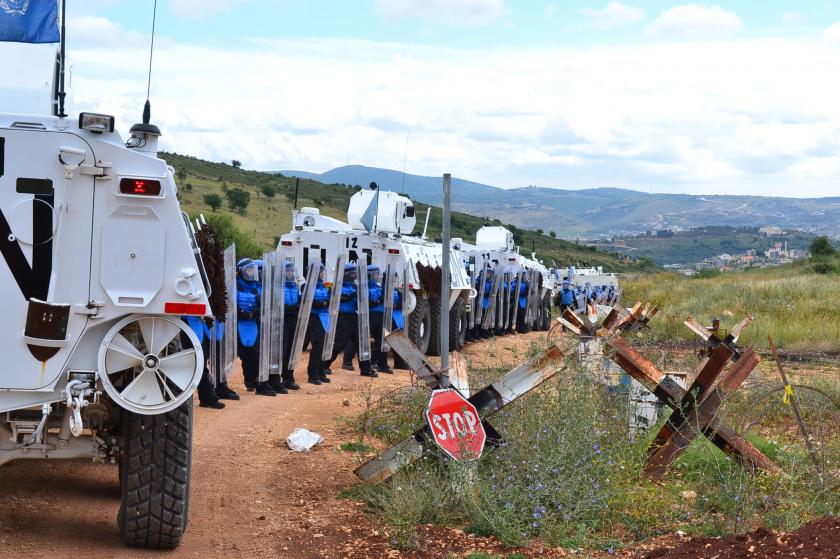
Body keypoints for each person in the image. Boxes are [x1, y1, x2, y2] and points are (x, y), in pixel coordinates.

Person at [236, 258, 277, 396]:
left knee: (256, 355)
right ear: (241, 271)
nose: (252, 273)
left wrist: (257, 310)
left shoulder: (255, 287)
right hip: (238, 325)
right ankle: (249, 381)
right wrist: (241, 313)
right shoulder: (235, 286)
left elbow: (263, 307)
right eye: (249, 269)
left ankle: (260, 384)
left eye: (253, 270)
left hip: (253, 324)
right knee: (245, 357)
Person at [327, 263, 377, 378]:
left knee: (361, 343)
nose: (354, 275)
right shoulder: (337, 286)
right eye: (351, 272)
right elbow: (338, 299)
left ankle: (366, 369)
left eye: (355, 272)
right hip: (342, 317)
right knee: (339, 344)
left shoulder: (355, 287)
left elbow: (362, 301)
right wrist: (353, 295)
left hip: (355, 316)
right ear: (345, 274)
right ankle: (324, 365)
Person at [184, 316, 225, 409]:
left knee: (201, 362)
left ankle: (206, 397)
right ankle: (207, 396)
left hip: (195, 323)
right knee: (196, 363)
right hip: (186, 321)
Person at [306, 264, 331, 385]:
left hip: (325, 318)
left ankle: (321, 372)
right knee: (318, 345)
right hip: (314, 317)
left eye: (322, 271)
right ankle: (312, 374)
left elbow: (329, 300)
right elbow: (309, 302)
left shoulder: (323, 286)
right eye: (320, 272)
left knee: (324, 346)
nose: (322, 273)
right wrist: (321, 303)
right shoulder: (307, 286)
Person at [278, 261, 301, 392]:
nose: (290, 273)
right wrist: (286, 308)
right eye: (287, 270)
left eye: (291, 270)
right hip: (282, 320)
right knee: (283, 349)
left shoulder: (294, 285)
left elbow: (298, 300)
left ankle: (288, 377)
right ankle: (276, 378)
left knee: (291, 349)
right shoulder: (278, 286)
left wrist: (297, 306)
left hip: (293, 319)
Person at [366, 265, 394, 374]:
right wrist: (377, 301)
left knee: (382, 341)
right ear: (369, 275)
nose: (378, 276)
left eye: (379, 274)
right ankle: (350, 362)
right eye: (375, 274)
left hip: (380, 315)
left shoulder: (379, 287)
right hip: (370, 315)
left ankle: (382, 365)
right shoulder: (365, 286)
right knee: (362, 341)